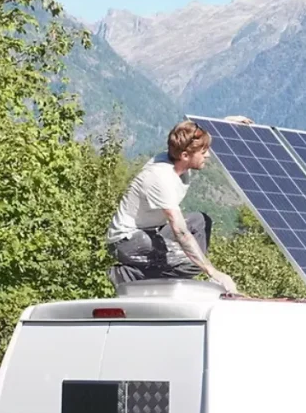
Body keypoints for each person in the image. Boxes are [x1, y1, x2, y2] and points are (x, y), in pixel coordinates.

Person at [104, 116, 252, 294]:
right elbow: (180, 231)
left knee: (200, 221)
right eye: (203, 152)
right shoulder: (160, 178)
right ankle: (129, 275)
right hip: (126, 240)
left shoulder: (178, 157)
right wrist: (212, 271)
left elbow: (190, 139)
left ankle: (162, 274)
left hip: (152, 231)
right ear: (185, 156)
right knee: (191, 261)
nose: (208, 155)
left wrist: (224, 124)